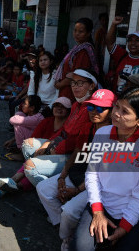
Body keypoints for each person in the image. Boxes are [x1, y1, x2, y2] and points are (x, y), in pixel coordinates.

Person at [73, 88, 139, 250]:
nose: (116, 114)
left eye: (125, 111)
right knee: (81, 247)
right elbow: (92, 175)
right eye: (117, 107)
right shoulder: (102, 133)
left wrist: (125, 227)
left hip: (134, 214)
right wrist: (98, 212)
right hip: (102, 204)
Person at [36, 89, 116, 250]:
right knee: (43, 189)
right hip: (79, 173)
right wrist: (62, 176)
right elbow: (77, 152)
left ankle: (66, 236)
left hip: (97, 183)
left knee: (69, 212)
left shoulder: (115, 135)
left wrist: (77, 190)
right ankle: (66, 228)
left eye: (100, 109)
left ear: (112, 111)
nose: (94, 112)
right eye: (91, 107)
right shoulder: (88, 126)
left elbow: (102, 173)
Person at [22, 69, 97, 186]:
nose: (75, 87)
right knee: (28, 145)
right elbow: (64, 130)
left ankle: (48, 187)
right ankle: (37, 179)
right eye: (73, 83)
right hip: (61, 145)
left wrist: (56, 149)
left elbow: (77, 142)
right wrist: (47, 143)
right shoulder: (76, 105)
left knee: (30, 167)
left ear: (92, 86)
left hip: (72, 155)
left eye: (80, 83)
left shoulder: (91, 109)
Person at [0, 97, 72, 197]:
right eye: (57, 106)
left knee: (32, 166)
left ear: (68, 111)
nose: (59, 109)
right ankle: (11, 184)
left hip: (55, 156)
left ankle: (13, 183)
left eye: (63, 107)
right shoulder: (46, 122)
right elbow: (33, 139)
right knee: (31, 158)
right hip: (40, 152)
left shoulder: (68, 126)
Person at [54, 18, 100, 102]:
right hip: (66, 90)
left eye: (80, 32)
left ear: (88, 33)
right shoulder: (77, 48)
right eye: (75, 30)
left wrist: (59, 84)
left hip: (72, 92)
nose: (76, 34)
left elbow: (77, 76)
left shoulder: (84, 51)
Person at [105, 16, 139, 94]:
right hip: (117, 100)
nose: (133, 43)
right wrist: (114, 24)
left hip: (134, 102)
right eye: (130, 40)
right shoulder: (122, 55)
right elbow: (109, 43)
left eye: (137, 40)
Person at [2, 95, 43, 161]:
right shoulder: (31, 115)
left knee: (19, 125)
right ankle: (20, 148)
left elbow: (12, 120)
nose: (22, 105)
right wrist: (12, 140)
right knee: (20, 114)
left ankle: (22, 154)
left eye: (25, 104)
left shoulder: (36, 119)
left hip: (36, 142)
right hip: (32, 137)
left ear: (32, 108)